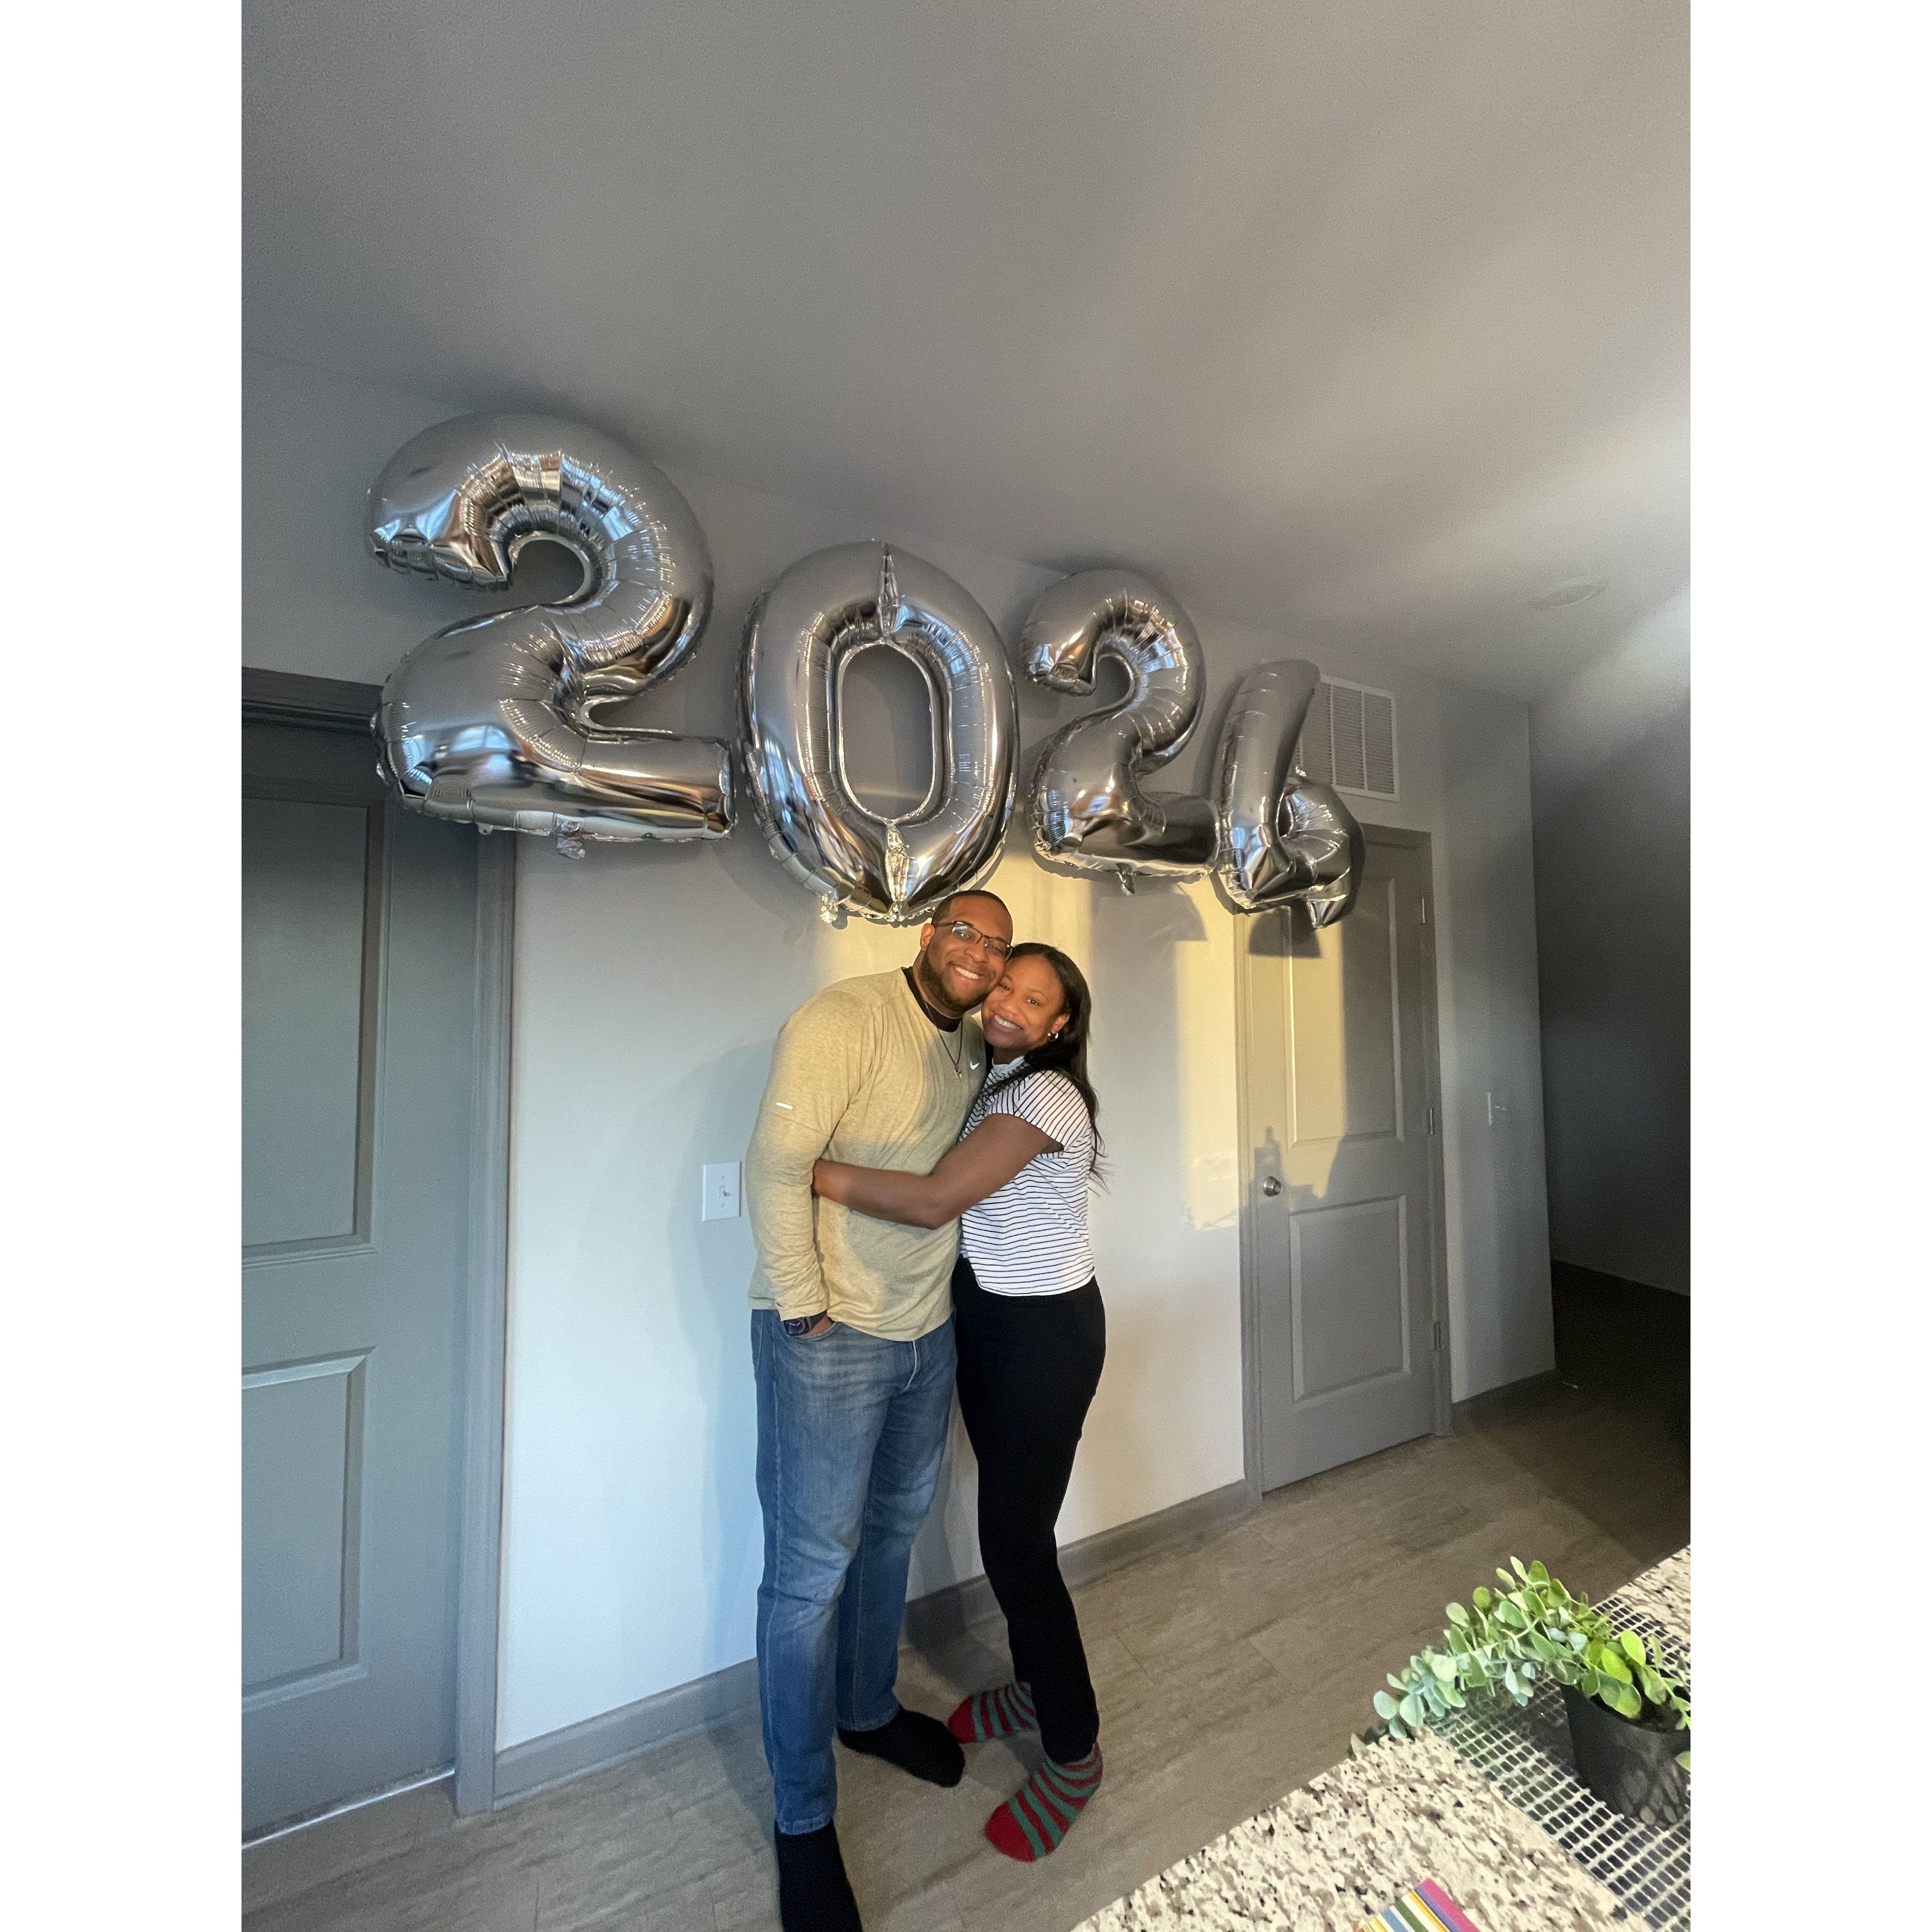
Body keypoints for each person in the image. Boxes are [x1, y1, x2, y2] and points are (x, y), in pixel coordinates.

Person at [745, 889, 1015, 1932]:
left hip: (924, 1334)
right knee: (809, 1573)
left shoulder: (971, 1047)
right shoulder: (843, 1018)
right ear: (928, 934)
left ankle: (865, 1712)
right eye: (965, 933)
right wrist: (803, 1305)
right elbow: (778, 1164)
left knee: (893, 1533)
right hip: (830, 1335)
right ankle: (803, 1820)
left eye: (996, 947)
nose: (979, 955)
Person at [813, 943, 1107, 1864]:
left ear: (1061, 1024)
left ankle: (1074, 1752)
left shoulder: (1046, 1095)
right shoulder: (998, 1075)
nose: (1008, 1002)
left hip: (1043, 1339)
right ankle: (1032, 1685)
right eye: (1006, 986)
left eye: (1034, 999)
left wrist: (818, 1174)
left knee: (1017, 1552)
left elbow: (939, 1199)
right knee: (1012, 1534)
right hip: (991, 1325)